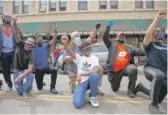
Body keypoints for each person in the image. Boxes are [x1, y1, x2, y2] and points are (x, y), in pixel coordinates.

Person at [103, 20, 146, 98]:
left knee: (133, 69)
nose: (121, 37)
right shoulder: (111, 44)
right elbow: (105, 37)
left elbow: (139, 51)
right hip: (114, 72)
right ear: (116, 38)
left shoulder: (129, 47)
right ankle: (116, 84)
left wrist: (147, 46)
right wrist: (108, 27)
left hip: (125, 68)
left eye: (123, 36)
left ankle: (131, 90)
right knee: (115, 88)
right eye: (119, 36)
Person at [63, 23, 104, 95]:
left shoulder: (82, 44)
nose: (78, 38)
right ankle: (72, 84)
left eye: (79, 36)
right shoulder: (69, 47)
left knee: (98, 70)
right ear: (72, 38)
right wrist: (74, 57)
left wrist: (96, 29)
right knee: (75, 91)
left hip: (85, 69)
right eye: (76, 37)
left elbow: (91, 38)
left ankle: (95, 87)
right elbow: (64, 59)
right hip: (74, 72)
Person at [63, 38, 101, 108]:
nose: (88, 49)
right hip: (81, 82)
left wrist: (81, 74)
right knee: (77, 104)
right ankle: (81, 94)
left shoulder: (95, 58)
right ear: (81, 49)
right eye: (86, 48)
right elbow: (69, 51)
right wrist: (65, 44)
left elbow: (95, 70)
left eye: (89, 47)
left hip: (90, 81)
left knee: (95, 76)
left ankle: (92, 97)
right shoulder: (78, 57)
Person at [142, 11, 167, 114]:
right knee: (158, 75)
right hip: (150, 69)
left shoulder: (166, 46)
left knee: (158, 95)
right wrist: (157, 18)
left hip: (163, 74)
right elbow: (148, 34)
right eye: (156, 30)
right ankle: (153, 106)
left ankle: (141, 88)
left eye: (160, 30)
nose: (158, 31)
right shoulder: (149, 44)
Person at [12, 16, 35, 98]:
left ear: (32, 45)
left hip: (25, 70)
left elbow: (30, 69)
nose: (29, 43)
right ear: (26, 42)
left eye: (31, 42)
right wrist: (14, 22)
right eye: (28, 41)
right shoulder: (21, 44)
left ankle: (27, 90)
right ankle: (22, 89)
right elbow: (16, 34)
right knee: (19, 92)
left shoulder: (31, 53)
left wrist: (21, 76)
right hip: (17, 69)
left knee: (31, 76)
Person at [32, 25, 58, 94]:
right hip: (38, 70)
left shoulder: (45, 46)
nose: (39, 39)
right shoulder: (32, 48)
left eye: (40, 38)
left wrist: (55, 33)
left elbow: (53, 41)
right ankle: (41, 82)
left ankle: (52, 88)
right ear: (35, 40)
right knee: (39, 88)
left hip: (45, 68)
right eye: (37, 38)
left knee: (54, 70)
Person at [0, 15, 22, 91]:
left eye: (9, 23)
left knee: (17, 69)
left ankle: (19, 85)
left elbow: (19, 38)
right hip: (3, 52)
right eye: (6, 23)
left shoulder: (14, 29)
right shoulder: (0, 30)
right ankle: (9, 85)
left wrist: (15, 22)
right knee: (5, 70)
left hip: (14, 51)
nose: (7, 25)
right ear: (3, 22)